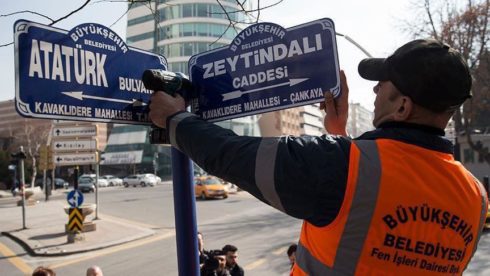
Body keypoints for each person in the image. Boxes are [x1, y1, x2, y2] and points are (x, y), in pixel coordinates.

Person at [149, 38, 488, 275]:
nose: (374, 89)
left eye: (384, 83)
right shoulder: (475, 197)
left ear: (402, 106)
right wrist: (339, 135)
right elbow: (372, 213)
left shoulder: (339, 165)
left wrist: (175, 119)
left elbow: (233, 156)